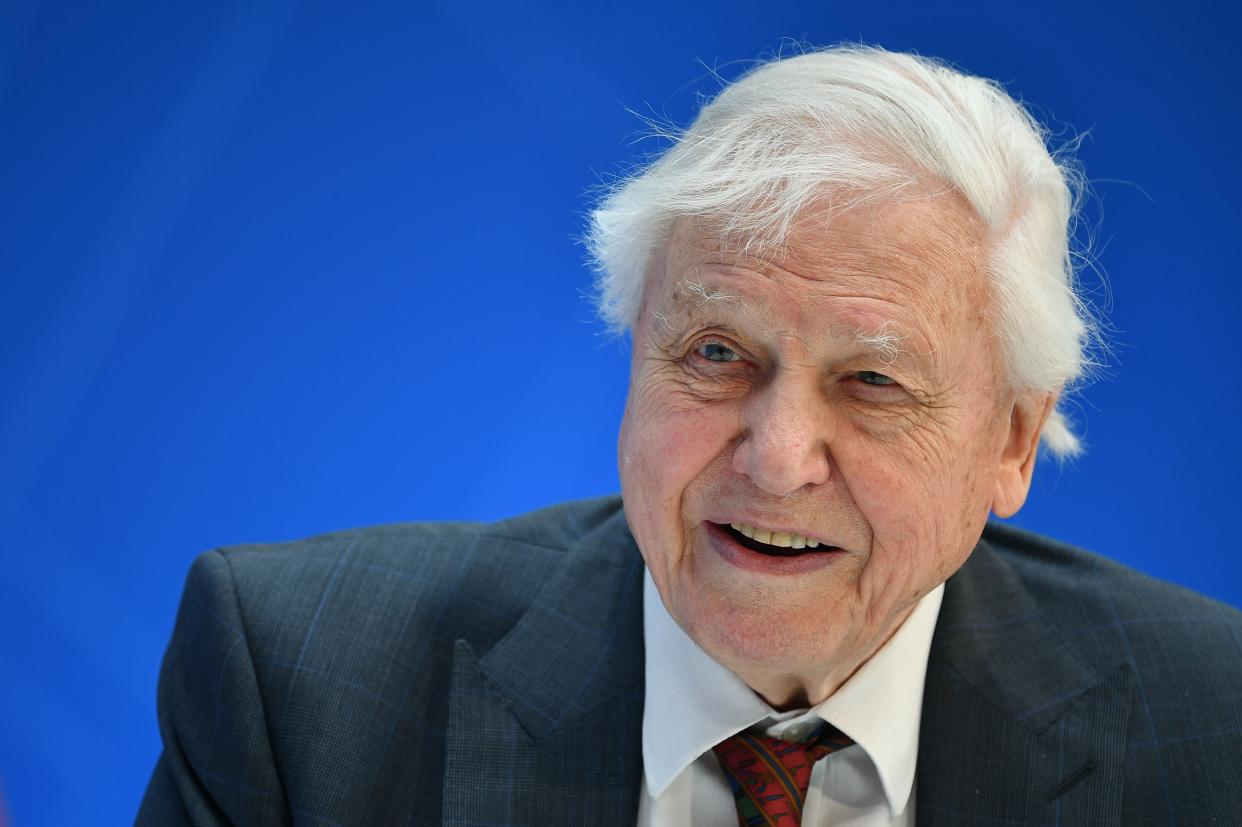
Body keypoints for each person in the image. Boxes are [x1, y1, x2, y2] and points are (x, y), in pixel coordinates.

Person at [138, 46, 1242, 826]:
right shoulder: (301, 683)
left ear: (1011, 439)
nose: (777, 455)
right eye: (717, 354)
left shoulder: (1213, 730)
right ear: (634, 348)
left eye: (870, 381)